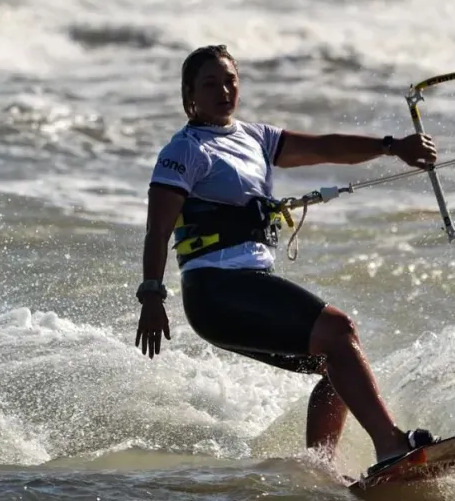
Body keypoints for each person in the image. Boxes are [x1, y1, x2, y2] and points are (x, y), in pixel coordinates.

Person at [134, 44, 439, 473]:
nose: (224, 90)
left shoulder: (256, 138)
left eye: (230, 81)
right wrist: (151, 295)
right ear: (190, 96)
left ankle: (321, 470)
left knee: (341, 365)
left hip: (244, 285)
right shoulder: (184, 150)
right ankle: (390, 444)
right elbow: (158, 229)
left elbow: (325, 147)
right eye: (210, 84)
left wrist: (392, 147)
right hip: (216, 290)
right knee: (338, 329)